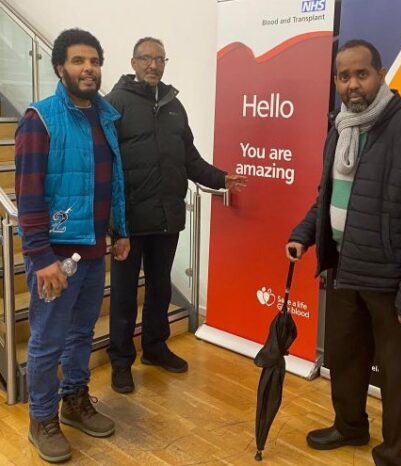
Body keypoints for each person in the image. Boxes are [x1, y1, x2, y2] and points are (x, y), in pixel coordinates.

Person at [286, 40, 401, 466]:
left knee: (396, 375)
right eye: (344, 76)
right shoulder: (340, 128)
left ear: (381, 75)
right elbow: (328, 196)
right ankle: (349, 427)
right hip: (342, 268)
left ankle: (395, 453)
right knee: (344, 359)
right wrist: (304, 235)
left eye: (362, 74)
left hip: (391, 280)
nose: (352, 84)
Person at [105, 37, 247, 393]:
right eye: (146, 59)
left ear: (165, 63)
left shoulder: (174, 106)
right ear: (133, 62)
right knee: (123, 295)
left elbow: (190, 159)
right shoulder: (114, 103)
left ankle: (154, 347)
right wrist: (112, 223)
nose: (153, 65)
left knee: (159, 288)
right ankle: (121, 361)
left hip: (167, 217)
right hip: (128, 222)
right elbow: (104, 166)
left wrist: (220, 179)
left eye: (160, 59)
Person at [15, 28, 130, 463]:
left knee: (82, 332)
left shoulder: (105, 117)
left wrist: (119, 232)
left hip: (94, 247)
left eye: (95, 61)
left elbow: (112, 181)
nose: (89, 69)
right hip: (56, 256)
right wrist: (41, 256)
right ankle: (41, 418)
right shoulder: (40, 118)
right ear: (60, 67)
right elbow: (28, 193)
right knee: (46, 339)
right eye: (79, 61)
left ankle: (74, 399)